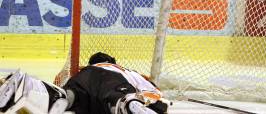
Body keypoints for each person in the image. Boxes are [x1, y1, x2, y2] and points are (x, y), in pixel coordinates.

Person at [0, 52, 170, 114]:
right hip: (108, 81)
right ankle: (126, 104)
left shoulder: (86, 70)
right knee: (118, 97)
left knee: (66, 98)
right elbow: (155, 94)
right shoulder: (125, 70)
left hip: (81, 81)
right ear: (114, 61)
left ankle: (29, 87)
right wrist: (155, 103)